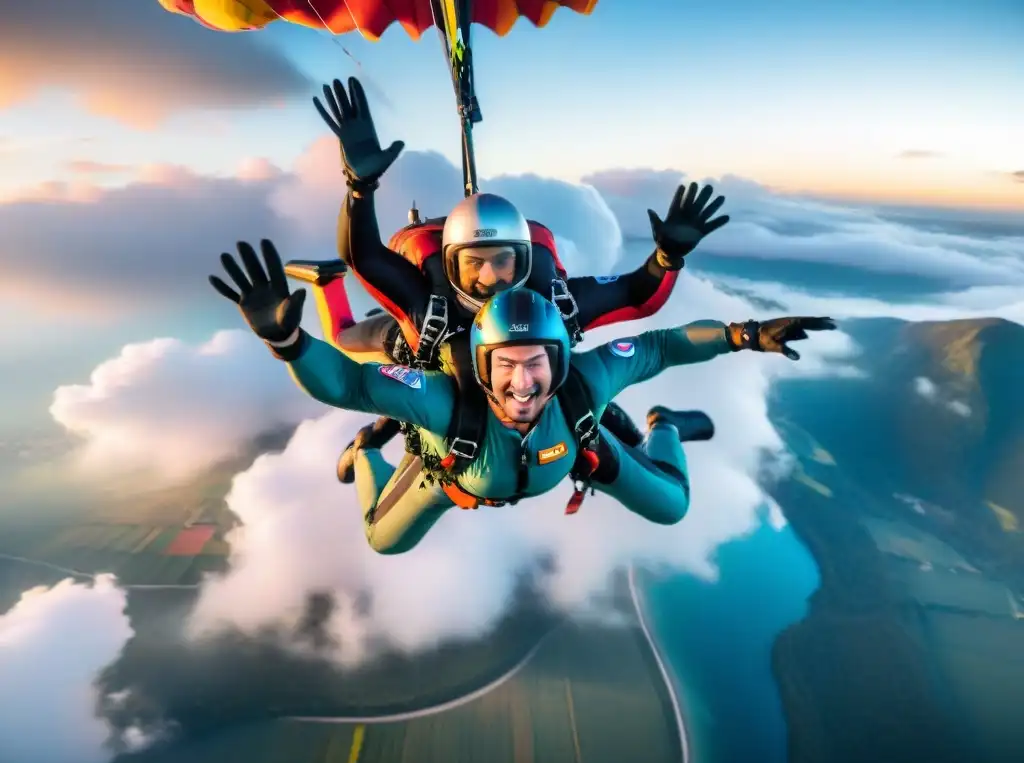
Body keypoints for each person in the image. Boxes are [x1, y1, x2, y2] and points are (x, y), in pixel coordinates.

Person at [208, 240, 836, 554]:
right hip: (451, 473)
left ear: (559, 361)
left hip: (573, 454)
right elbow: (348, 381)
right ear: (480, 367)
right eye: (505, 365)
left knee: (672, 507)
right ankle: (365, 455)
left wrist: (745, 334)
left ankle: (661, 424)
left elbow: (661, 346)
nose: (522, 382)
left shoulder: (585, 383)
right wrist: (289, 342)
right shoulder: (440, 402)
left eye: (537, 362)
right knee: (383, 539)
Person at [291, 77, 732, 477]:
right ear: (449, 266)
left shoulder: (551, 300)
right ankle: (326, 286)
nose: (489, 280)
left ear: (524, 260)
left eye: (503, 262)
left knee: (587, 403)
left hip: (489, 374)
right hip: (418, 346)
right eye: (474, 264)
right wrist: (358, 188)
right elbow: (362, 255)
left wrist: (666, 257)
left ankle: (646, 439)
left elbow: (637, 294)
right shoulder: (428, 301)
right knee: (350, 340)